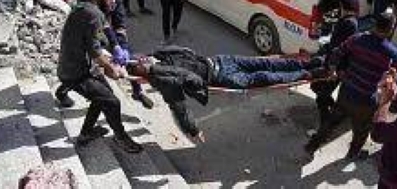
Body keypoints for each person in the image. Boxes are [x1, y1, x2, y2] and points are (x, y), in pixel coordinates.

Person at [125, 45, 326, 140]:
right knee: (263, 77)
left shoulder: (159, 54)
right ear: (141, 71)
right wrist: (193, 130)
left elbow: (184, 50)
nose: (144, 60)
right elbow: (179, 107)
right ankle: (308, 72)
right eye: (140, 63)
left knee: (266, 62)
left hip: (222, 60)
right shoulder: (163, 80)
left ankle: (309, 62)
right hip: (221, 78)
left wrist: (156, 56)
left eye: (141, 57)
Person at [56, 0, 143, 153]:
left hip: (77, 65)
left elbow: (97, 39)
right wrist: (112, 69)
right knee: (111, 102)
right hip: (75, 72)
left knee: (103, 96)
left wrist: (115, 51)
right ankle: (121, 138)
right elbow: (95, 52)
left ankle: (86, 133)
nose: (113, 2)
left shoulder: (87, 6)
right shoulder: (92, 13)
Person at [325, 12, 397, 159]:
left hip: (346, 90)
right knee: (361, 130)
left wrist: (332, 69)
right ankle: (353, 153)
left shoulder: (357, 39)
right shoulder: (393, 53)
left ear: (375, 24)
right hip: (366, 99)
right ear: (391, 29)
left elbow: (337, 52)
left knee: (334, 119)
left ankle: (316, 142)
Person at [305, 0, 359, 153]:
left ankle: (324, 125)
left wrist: (332, 68)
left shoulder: (347, 23)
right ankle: (333, 112)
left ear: (343, 7)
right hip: (337, 64)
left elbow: (339, 48)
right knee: (320, 91)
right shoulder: (351, 22)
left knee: (321, 95)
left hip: (336, 66)